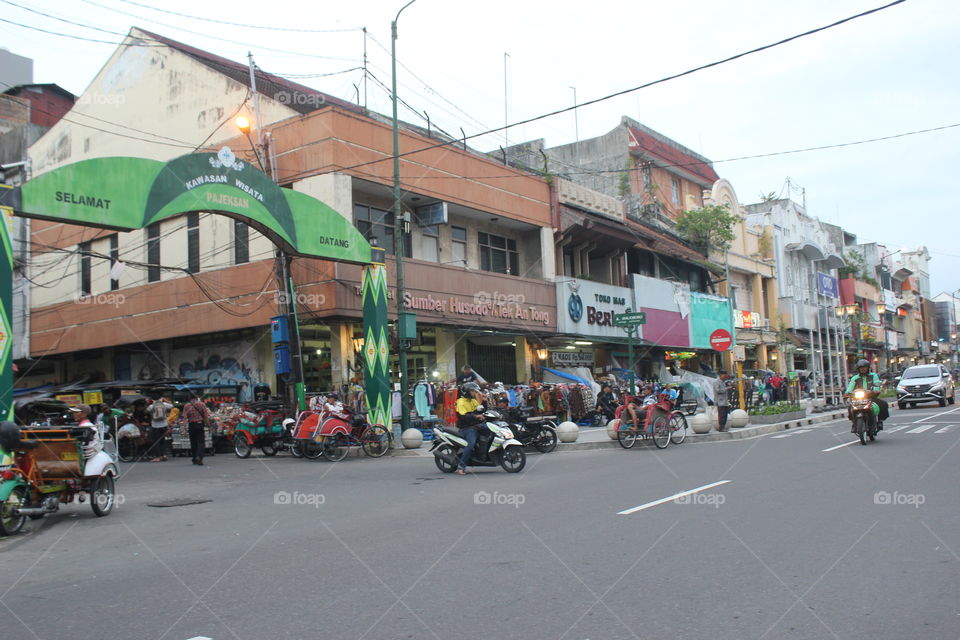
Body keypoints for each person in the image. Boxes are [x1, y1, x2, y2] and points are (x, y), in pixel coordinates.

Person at [845, 358, 888, 433]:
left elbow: (877, 384)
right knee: (850, 407)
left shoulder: (873, 376)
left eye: (864, 367)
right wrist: (848, 392)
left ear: (868, 368)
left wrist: (875, 390)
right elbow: (849, 388)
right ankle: (854, 423)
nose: (863, 369)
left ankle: (880, 421)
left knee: (883, 404)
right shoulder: (855, 378)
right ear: (858, 369)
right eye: (861, 368)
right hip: (857, 399)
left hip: (871, 397)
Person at [455, 382, 484, 475]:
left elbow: (481, 410)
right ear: (466, 391)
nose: (474, 393)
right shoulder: (460, 402)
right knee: (471, 445)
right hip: (467, 428)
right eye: (472, 391)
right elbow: (463, 416)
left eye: (475, 391)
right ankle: (461, 466)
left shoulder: (473, 401)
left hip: (476, 426)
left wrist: (485, 401)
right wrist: (476, 417)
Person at [182, 394, 212, 466]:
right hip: (199, 424)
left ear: (190, 398)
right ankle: (199, 457)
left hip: (191, 425)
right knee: (201, 442)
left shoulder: (186, 406)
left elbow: (185, 418)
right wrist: (208, 426)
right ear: (196, 397)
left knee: (193, 442)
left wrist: (184, 428)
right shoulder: (202, 404)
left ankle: (194, 458)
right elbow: (205, 416)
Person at [147, 396, 172, 462]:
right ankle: (164, 455)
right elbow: (171, 406)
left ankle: (158, 457)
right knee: (162, 441)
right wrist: (165, 400)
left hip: (155, 426)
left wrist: (150, 403)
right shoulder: (164, 405)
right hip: (164, 425)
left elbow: (147, 410)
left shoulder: (152, 406)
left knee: (156, 441)